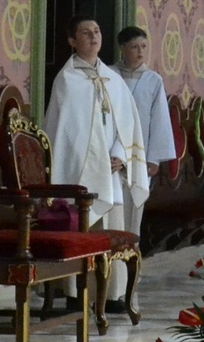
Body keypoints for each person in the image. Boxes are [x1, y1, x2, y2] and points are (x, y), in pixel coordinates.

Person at [44, 16, 149, 243]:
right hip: (80, 174)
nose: (93, 36)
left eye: (97, 31)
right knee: (84, 240)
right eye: (86, 32)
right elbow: (64, 133)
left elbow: (128, 124)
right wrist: (95, 160)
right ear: (72, 41)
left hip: (111, 175)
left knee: (113, 244)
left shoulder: (114, 79)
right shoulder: (66, 80)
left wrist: (120, 155)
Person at [112, 26, 178, 232]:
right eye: (134, 47)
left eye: (143, 46)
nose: (140, 52)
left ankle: (131, 247)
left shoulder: (153, 80)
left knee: (134, 205)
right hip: (111, 151)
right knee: (113, 206)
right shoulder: (109, 75)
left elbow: (159, 119)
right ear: (122, 48)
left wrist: (154, 159)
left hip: (139, 151)